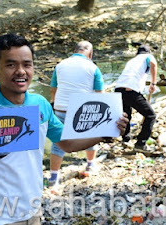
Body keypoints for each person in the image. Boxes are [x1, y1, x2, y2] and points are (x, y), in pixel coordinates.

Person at [0, 33, 128, 225]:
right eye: (11, 65)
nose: (21, 71)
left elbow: (67, 143)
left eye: (27, 64)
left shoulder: (41, 105)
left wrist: (106, 132)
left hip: (33, 207)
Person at [49, 41, 104, 187]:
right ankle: (90, 164)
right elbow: (100, 94)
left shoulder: (60, 65)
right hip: (82, 108)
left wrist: (55, 104)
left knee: (57, 143)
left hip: (60, 108)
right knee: (89, 137)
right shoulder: (93, 68)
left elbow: (53, 89)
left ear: (75, 51)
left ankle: (54, 177)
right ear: (90, 54)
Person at [114, 44, 157, 150]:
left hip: (118, 89)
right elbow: (153, 64)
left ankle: (126, 138)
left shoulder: (132, 60)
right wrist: (153, 83)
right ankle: (140, 143)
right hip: (131, 89)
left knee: (126, 114)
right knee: (150, 116)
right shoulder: (148, 56)